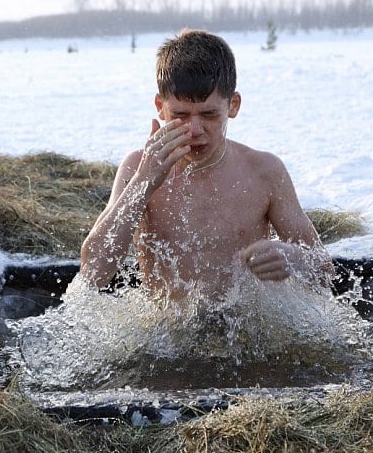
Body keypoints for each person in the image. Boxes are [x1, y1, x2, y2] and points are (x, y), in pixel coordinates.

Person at [79, 29, 334, 303]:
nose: (195, 129)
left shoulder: (264, 172)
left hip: (245, 331)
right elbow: (92, 274)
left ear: (233, 106)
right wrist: (144, 182)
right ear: (160, 108)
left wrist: (292, 258)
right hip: (166, 333)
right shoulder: (137, 168)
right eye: (180, 115)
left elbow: (325, 274)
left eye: (209, 114)